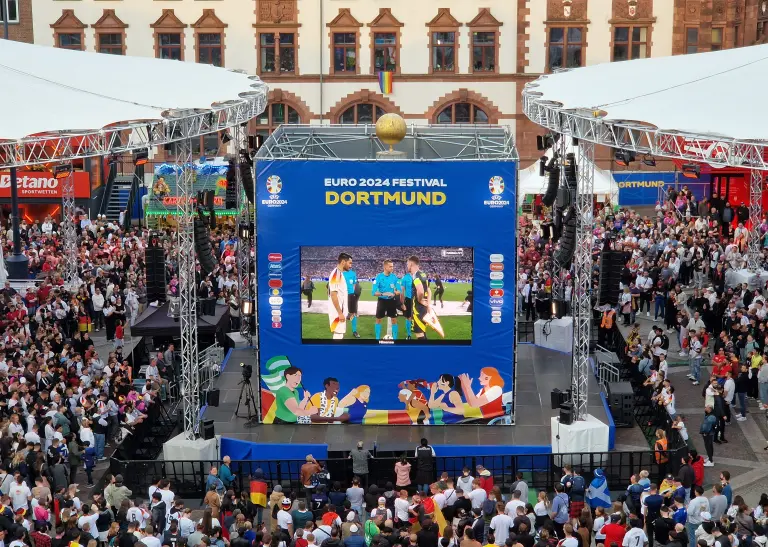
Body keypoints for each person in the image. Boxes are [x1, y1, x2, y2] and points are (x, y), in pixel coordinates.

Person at [372, 259, 401, 341]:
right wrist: (383, 294)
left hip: (392, 301)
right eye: (390, 266)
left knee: (394, 320)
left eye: (392, 266)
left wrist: (395, 293)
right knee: (378, 319)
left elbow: (399, 290)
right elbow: (373, 292)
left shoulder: (394, 277)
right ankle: (377, 339)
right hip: (382, 301)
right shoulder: (378, 277)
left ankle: (395, 339)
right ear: (385, 267)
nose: (392, 268)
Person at [328, 253, 352, 340]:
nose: (350, 266)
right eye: (349, 263)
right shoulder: (336, 274)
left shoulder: (339, 273)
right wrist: (340, 313)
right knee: (338, 335)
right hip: (337, 313)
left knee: (339, 334)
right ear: (343, 262)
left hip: (339, 311)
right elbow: (333, 294)